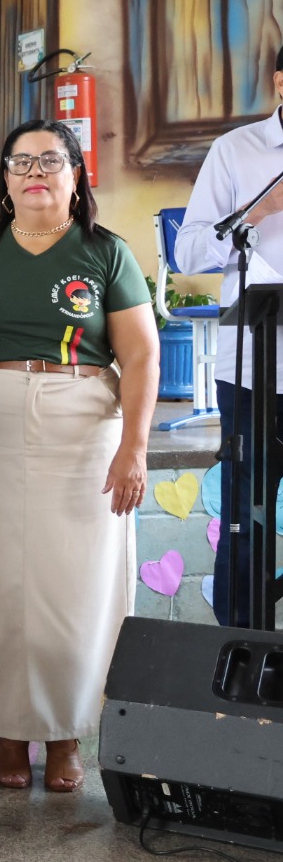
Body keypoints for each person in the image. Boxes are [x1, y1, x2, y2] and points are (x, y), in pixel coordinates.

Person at [0, 119, 157, 793]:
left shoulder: (106, 253)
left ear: (75, 174)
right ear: (4, 180)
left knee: (75, 588)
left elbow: (142, 353)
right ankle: (9, 733)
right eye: (21, 162)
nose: (35, 172)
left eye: (50, 160)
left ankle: (65, 737)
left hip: (84, 423)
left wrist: (134, 449)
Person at [174, 43, 283, 628]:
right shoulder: (237, 152)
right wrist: (258, 212)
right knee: (247, 517)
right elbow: (188, 250)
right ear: (281, 82)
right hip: (254, 372)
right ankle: (241, 658)